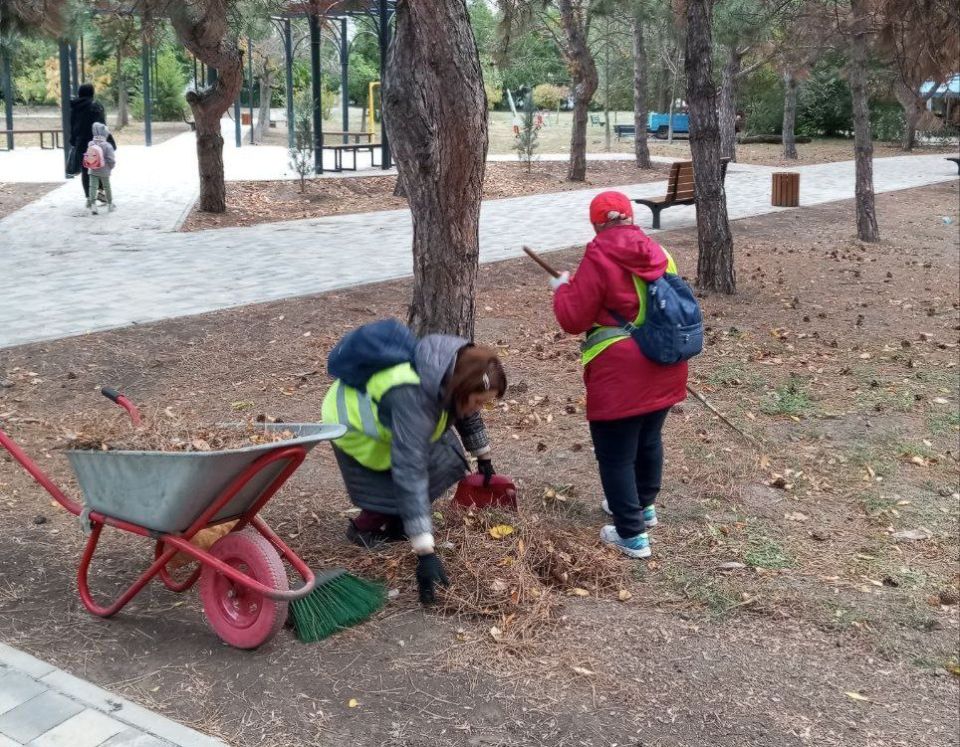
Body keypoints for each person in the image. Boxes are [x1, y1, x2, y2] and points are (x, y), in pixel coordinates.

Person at [321, 320, 507, 604]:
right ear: (461, 389)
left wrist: (484, 458)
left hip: (395, 421)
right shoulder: (412, 397)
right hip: (354, 424)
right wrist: (425, 553)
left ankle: (399, 521)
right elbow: (410, 470)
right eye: (480, 401)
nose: (480, 408)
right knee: (392, 481)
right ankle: (364, 528)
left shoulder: (451, 371)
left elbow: (469, 415)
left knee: (445, 459)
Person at [549, 191, 688, 559]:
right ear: (630, 218)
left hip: (620, 370)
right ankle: (643, 507)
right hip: (665, 361)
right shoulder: (661, 252)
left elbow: (573, 319)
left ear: (597, 223)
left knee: (615, 455)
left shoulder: (598, 255)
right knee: (648, 439)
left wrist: (562, 289)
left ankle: (631, 534)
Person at [69, 83, 116, 199]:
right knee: (99, 167)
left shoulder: (74, 107)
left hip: (81, 142)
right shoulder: (96, 106)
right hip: (96, 142)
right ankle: (100, 192)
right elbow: (101, 125)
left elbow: (72, 125)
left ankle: (89, 196)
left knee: (86, 170)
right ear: (92, 93)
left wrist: (74, 140)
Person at [84, 123, 116, 215]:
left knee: (92, 187)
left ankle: (93, 205)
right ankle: (110, 204)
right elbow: (111, 160)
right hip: (105, 171)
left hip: (93, 169)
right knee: (107, 187)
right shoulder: (107, 146)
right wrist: (110, 167)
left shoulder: (91, 143)